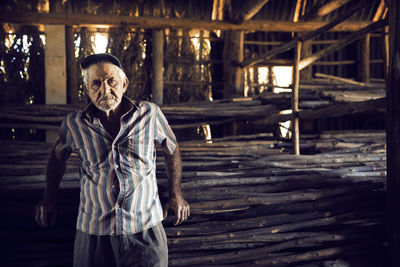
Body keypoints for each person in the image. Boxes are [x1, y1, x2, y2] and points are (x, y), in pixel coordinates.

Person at [34, 53, 190, 267]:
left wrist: (176, 195)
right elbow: (56, 160)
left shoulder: (149, 114)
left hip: (145, 229)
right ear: (87, 90)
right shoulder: (74, 125)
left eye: (111, 81)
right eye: (96, 84)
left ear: (124, 83)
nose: (105, 90)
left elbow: (171, 148)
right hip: (94, 232)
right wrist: (49, 198)